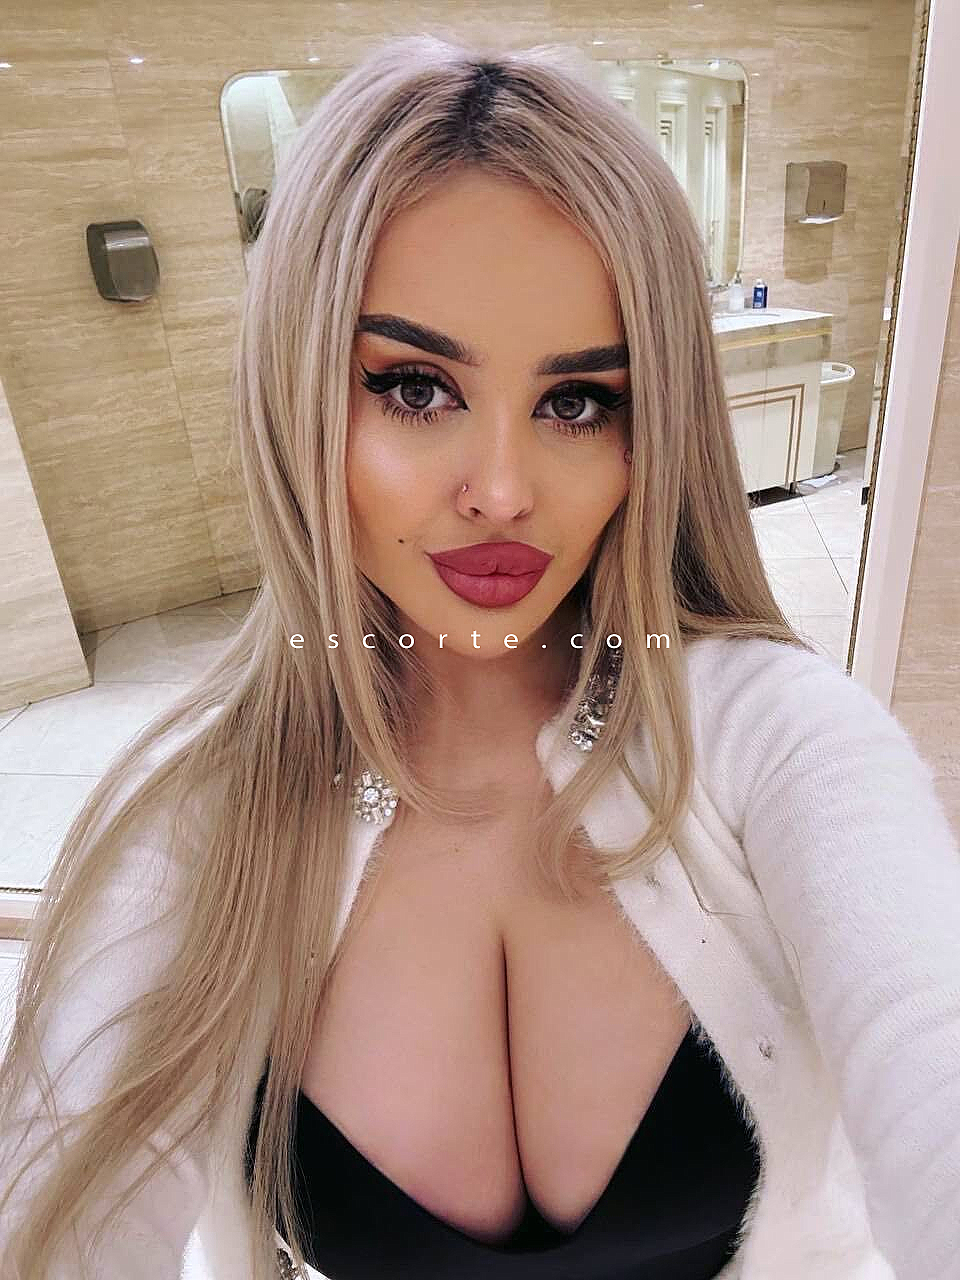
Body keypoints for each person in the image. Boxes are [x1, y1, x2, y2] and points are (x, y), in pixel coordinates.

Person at [2, 33, 959, 1280]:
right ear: (298, 393)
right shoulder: (199, 821)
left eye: (577, 401)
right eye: (414, 387)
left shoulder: (779, 739)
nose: (502, 489)